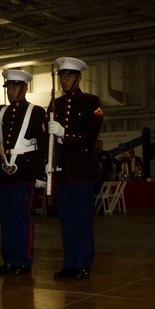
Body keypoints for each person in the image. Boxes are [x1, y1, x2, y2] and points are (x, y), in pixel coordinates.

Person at [48, 57, 104, 280]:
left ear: (79, 77)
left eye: (69, 76)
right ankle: (70, 263)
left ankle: (84, 263)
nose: (65, 80)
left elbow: (90, 136)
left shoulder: (91, 102)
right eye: (62, 76)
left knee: (82, 220)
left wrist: (64, 133)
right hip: (63, 172)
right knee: (66, 221)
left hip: (82, 171)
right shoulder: (56, 104)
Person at [0, 70, 47, 276]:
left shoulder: (37, 111)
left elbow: (42, 144)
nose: (10, 91)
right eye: (8, 87)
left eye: (14, 87)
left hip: (24, 170)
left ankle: (23, 260)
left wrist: (41, 174)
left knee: (21, 219)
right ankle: (9, 259)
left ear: (24, 88)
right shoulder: (2, 111)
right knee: (6, 219)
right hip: (4, 172)